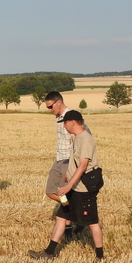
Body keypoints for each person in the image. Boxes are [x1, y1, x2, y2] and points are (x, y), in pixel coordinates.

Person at [29, 110, 104, 263]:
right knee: (61, 217)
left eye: (65, 123)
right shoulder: (77, 138)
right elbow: (76, 162)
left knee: (92, 222)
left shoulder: (86, 140)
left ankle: (100, 257)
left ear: (73, 122)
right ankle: (49, 253)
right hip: (74, 187)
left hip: (83, 190)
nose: (64, 126)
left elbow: (83, 165)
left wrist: (68, 185)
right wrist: (67, 176)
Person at [43, 91, 90, 236]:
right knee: (51, 191)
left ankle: (70, 223)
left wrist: (72, 167)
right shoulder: (58, 117)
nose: (50, 110)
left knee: (64, 192)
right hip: (59, 159)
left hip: (68, 161)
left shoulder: (72, 117)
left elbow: (79, 139)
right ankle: (76, 214)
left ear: (58, 102)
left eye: (50, 106)